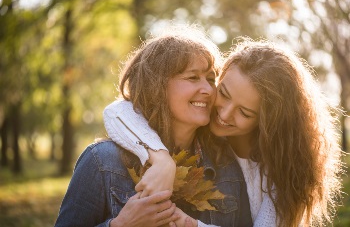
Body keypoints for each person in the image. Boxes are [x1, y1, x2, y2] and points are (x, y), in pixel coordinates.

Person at [104, 38, 344, 227]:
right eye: (225, 94)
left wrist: (193, 225)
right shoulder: (200, 127)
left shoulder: (284, 169)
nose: (224, 114)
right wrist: (161, 159)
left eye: (245, 113)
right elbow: (117, 111)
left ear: (269, 123)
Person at [55, 25, 253, 227]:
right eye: (193, 77)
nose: (208, 90)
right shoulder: (102, 161)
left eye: (211, 79)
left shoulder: (226, 165)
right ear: (156, 86)